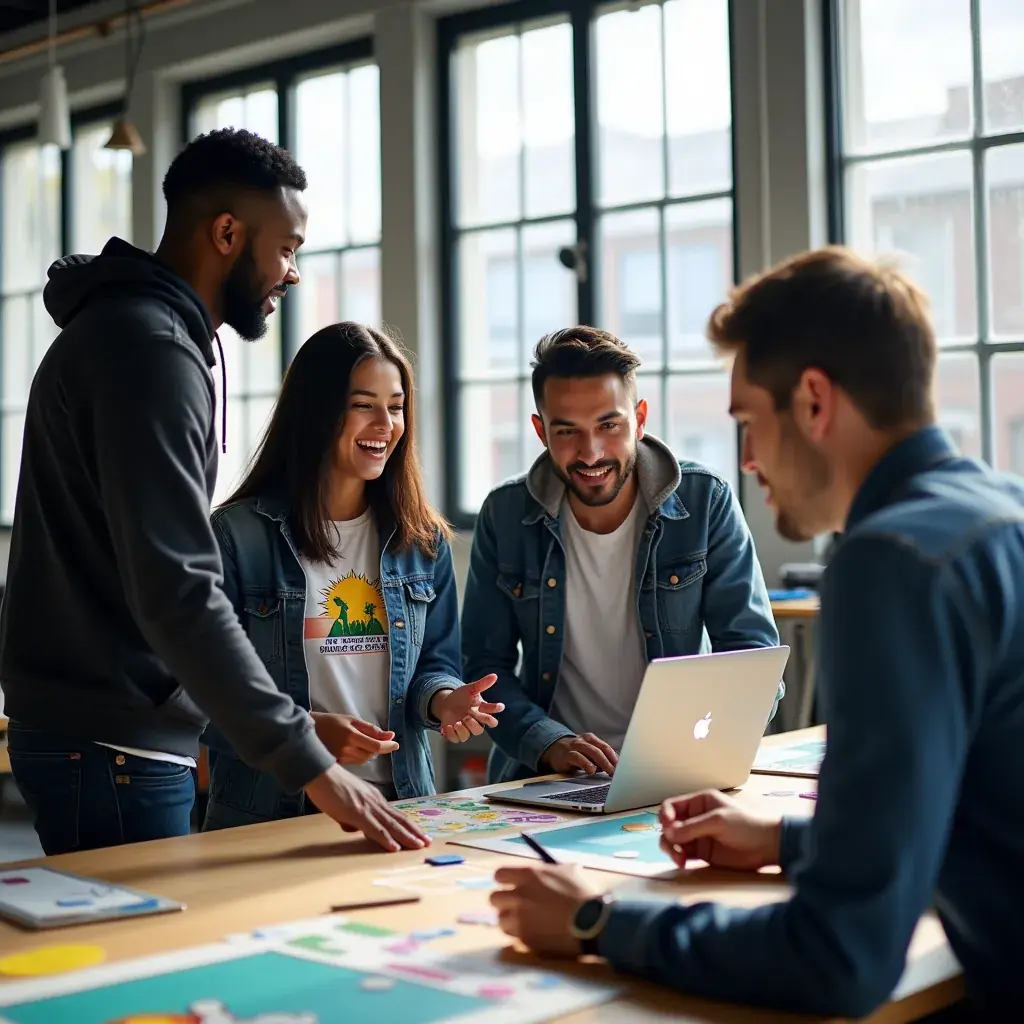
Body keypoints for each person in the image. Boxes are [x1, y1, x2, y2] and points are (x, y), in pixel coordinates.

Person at [487, 247, 1024, 1019]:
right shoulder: (998, 511)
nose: (746, 460)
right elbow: (965, 825)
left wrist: (597, 918)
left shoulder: (890, 563)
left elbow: (841, 956)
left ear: (813, 402)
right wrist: (787, 842)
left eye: (748, 423)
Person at [0, 128, 429, 857]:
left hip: (109, 732)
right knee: (137, 960)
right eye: (287, 247)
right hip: (110, 741)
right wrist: (311, 764)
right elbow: (176, 586)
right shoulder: (153, 351)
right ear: (228, 232)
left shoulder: (141, 335)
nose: (292, 272)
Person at [201, 322, 503, 829]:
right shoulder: (238, 536)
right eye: (364, 404)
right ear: (316, 412)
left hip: (401, 803)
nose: (385, 423)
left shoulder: (423, 542)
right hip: (271, 810)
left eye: (396, 405)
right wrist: (306, 732)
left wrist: (445, 700)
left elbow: (432, 665)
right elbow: (203, 695)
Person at [462, 326, 781, 785]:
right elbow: (483, 668)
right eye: (567, 431)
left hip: (679, 769)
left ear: (640, 418)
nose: (590, 453)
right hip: (548, 776)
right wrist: (547, 742)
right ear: (540, 430)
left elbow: (754, 658)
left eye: (608, 425)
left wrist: (691, 747)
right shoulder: (506, 514)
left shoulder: (704, 501)